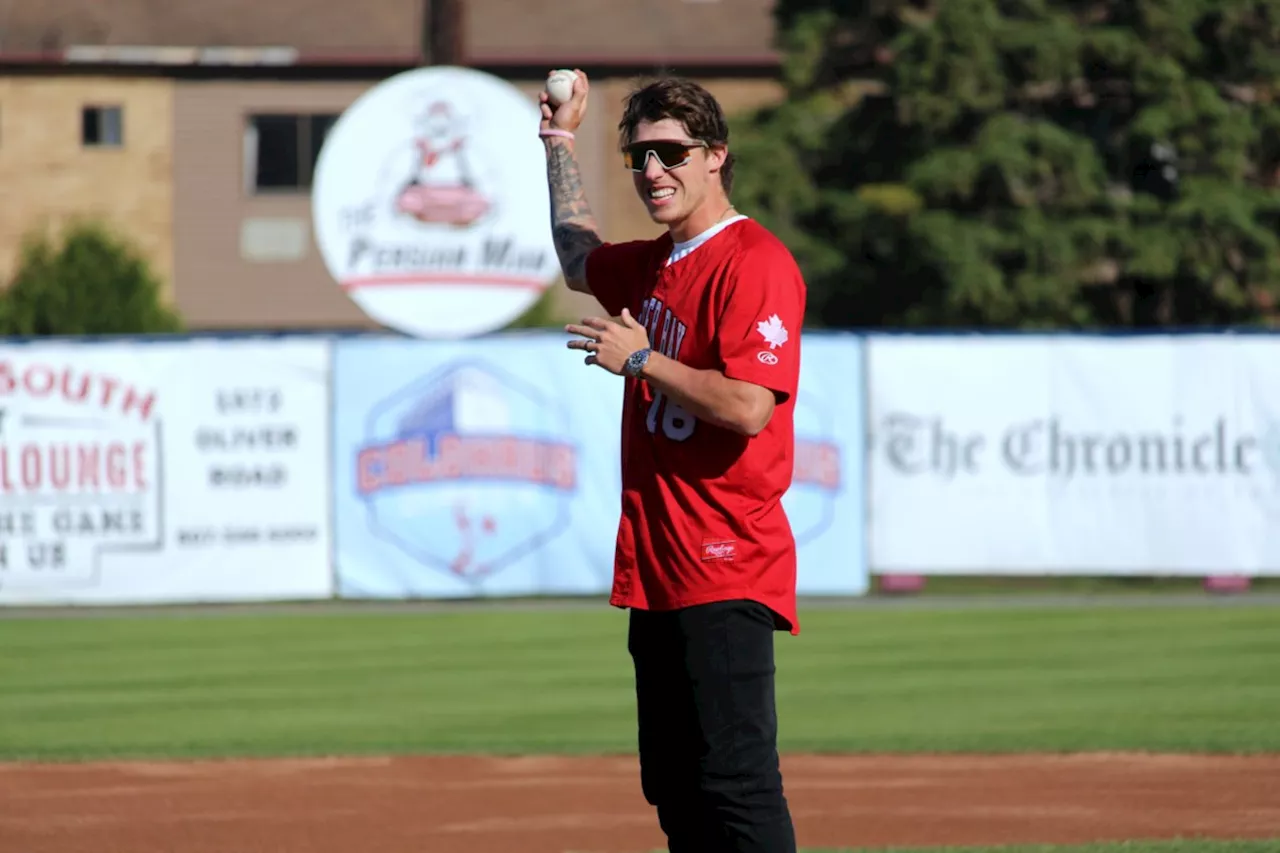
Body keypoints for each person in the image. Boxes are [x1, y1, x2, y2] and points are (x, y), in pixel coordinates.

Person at [539, 69, 806, 853]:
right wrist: (560, 140)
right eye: (638, 156)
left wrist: (643, 361)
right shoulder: (660, 264)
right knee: (676, 785)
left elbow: (750, 406)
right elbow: (577, 256)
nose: (652, 169)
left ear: (715, 155)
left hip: (725, 563)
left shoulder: (752, 260)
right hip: (657, 568)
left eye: (671, 152)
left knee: (736, 784)